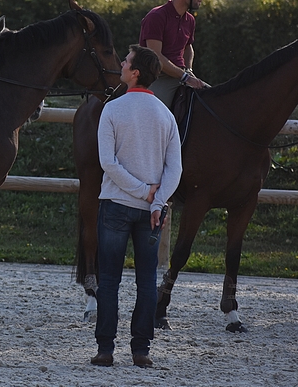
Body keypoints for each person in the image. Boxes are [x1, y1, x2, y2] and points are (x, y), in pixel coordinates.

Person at [91, 44, 182, 369]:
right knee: (146, 281)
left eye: (126, 61)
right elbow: (175, 170)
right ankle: (141, 350)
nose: (122, 65)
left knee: (110, 281)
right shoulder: (165, 115)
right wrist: (155, 199)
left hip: (116, 205)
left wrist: (143, 193)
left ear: (136, 72)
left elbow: (108, 163)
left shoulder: (112, 110)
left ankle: (105, 350)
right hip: (152, 213)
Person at [139, 0, 214, 107]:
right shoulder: (157, 16)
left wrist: (189, 71)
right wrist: (184, 76)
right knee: (157, 113)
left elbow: (187, 48)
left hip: (181, 75)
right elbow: (155, 57)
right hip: (157, 78)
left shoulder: (190, 20)